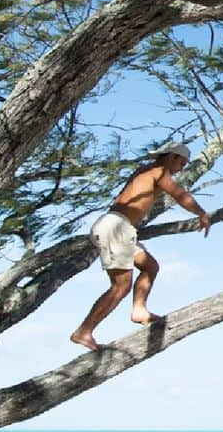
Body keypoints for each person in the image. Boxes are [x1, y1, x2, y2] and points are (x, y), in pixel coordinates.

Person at [70, 142, 210, 351]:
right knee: (121, 286)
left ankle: (139, 310)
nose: (181, 168)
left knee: (150, 266)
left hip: (122, 229)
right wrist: (201, 213)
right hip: (116, 227)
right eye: (182, 163)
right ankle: (84, 331)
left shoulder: (146, 171)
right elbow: (179, 195)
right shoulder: (158, 170)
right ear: (171, 157)